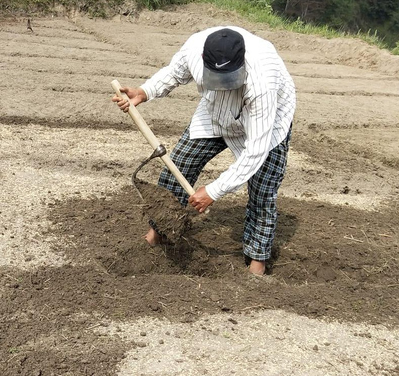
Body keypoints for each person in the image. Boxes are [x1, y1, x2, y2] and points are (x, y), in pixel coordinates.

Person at [112, 26, 296, 276]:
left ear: (242, 64)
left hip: (262, 122)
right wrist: (145, 91)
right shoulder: (194, 49)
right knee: (177, 168)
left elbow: (256, 150)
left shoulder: (262, 80)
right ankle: (157, 235)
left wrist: (213, 191)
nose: (223, 85)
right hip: (213, 114)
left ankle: (257, 263)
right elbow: (175, 73)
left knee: (262, 191)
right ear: (202, 60)